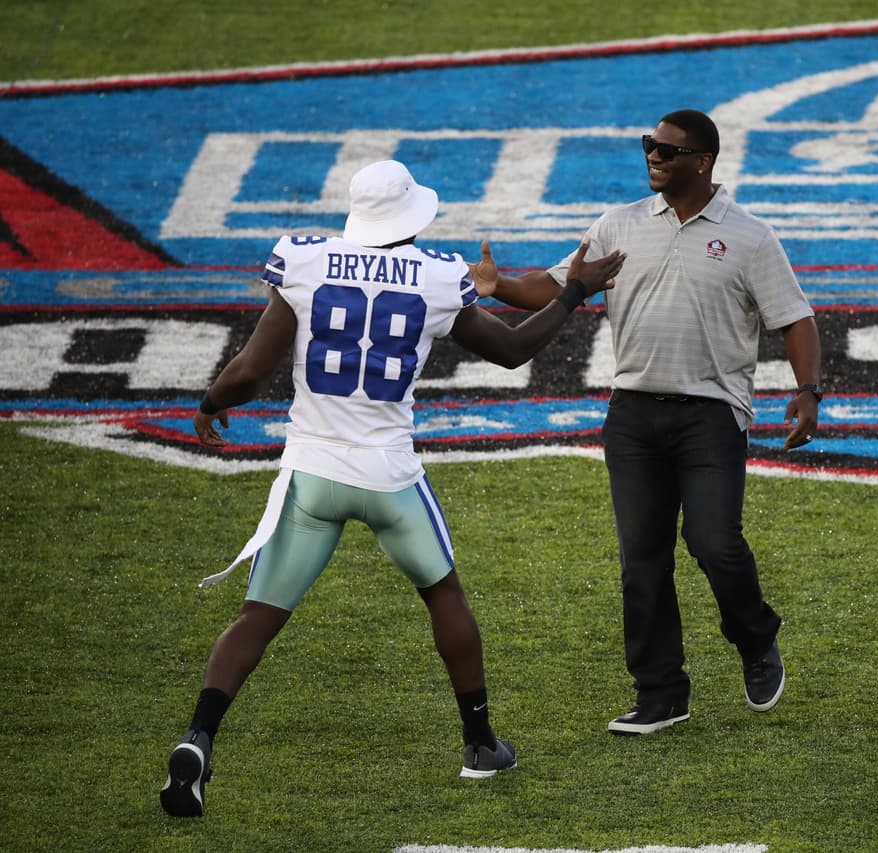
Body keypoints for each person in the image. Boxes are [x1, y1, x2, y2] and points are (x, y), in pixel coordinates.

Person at [160, 159, 625, 817]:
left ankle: (198, 737)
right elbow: (514, 350)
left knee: (256, 617)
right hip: (388, 475)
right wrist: (574, 291)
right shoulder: (437, 274)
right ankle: (480, 742)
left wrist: (209, 404)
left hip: (312, 471)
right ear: (412, 213)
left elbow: (249, 368)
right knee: (444, 596)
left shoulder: (304, 259)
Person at [491, 109, 822, 735]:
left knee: (714, 542)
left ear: (702, 161)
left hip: (712, 415)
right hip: (633, 414)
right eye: (649, 146)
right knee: (642, 561)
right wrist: (497, 285)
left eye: (667, 150)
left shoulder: (750, 236)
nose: (653, 156)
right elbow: (560, 284)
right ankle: (661, 693)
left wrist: (808, 392)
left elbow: (795, 319)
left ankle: (755, 638)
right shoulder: (618, 224)